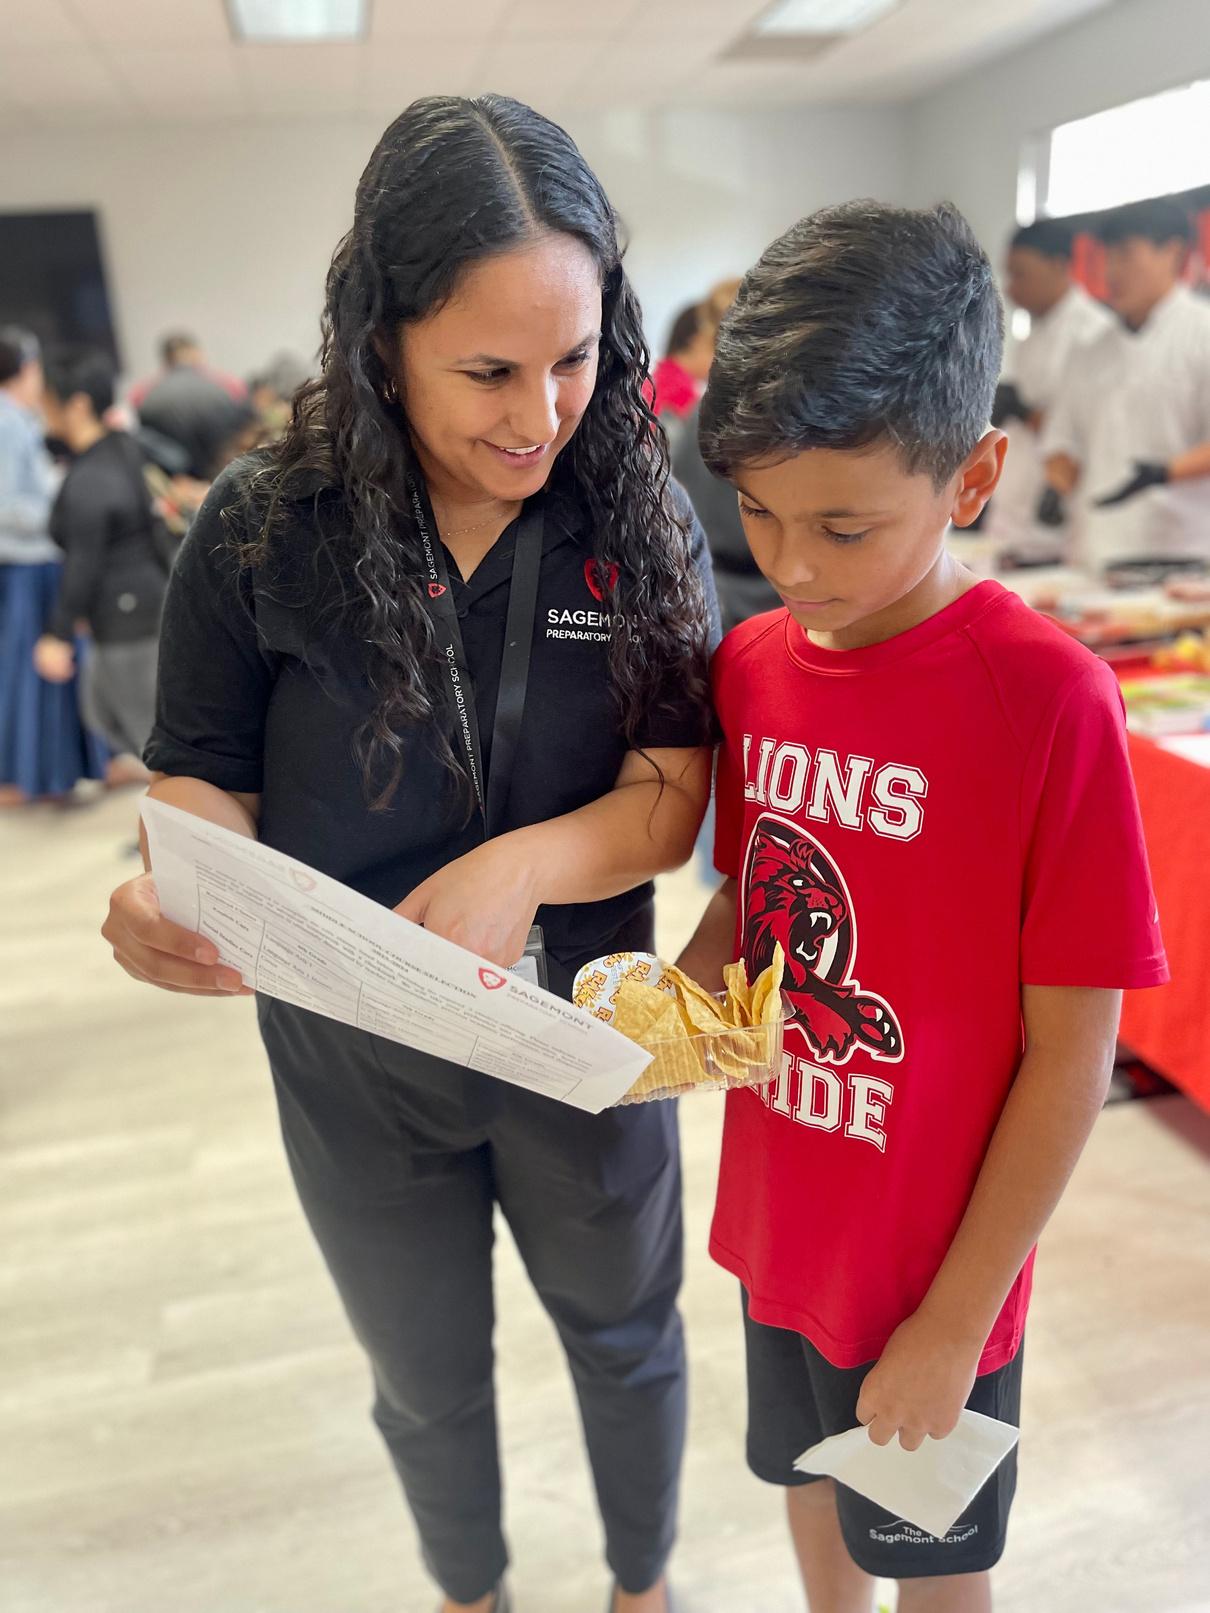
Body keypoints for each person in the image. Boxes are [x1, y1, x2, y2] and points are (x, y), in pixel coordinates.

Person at [100, 95, 718, 1613]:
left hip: (583, 1035)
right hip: (355, 1057)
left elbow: (667, 798)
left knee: (626, 1335)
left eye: (574, 357)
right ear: (382, 341)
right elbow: (202, 771)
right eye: (487, 372)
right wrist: (175, 884)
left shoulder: (634, 509)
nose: (540, 413)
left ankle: (643, 1586)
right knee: (424, 1377)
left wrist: (526, 863)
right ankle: (468, 1590)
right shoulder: (266, 523)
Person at [679, 200, 1168, 1612]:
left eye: (844, 525)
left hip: (937, 1260)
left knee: (935, 1559)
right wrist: (665, 1010)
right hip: (784, 1217)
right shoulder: (755, 665)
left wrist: (957, 1321)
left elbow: (1072, 1049)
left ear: (972, 478)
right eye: (758, 512)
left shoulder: (1046, 699)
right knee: (810, 1483)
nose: (792, 563)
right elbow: (749, 902)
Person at [1042, 197, 1210, 572]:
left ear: (1172, 252)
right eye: (1107, 257)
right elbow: (1062, 440)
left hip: (1180, 553)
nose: (1111, 271)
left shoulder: (1203, 334)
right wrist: (1055, 486)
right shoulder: (1088, 350)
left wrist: (1164, 472)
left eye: (1125, 255)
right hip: (1094, 549)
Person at [33, 349, 171, 777]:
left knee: (150, 739)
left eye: (48, 401)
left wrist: (57, 634)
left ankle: (182, 816)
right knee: (107, 715)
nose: (41, 411)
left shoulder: (93, 477)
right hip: (144, 603)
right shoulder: (121, 449)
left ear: (77, 405)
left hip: (129, 615)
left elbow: (84, 560)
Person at [0, 327, 103, 803]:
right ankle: (29, 778)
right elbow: (6, 504)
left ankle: (49, 773)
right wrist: (62, 509)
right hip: (26, 564)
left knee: (44, 674)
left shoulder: (16, 419)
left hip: (31, 560)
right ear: (26, 370)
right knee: (34, 674)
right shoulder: (7, 422)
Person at [982, 218, 1113, 562]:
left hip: (1057, 515)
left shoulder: (1094, 333)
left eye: (1022, 274)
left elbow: (1086, 431)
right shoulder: (1034, 335)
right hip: (1015, 507)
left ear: (1058, 264)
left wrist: (1025, 411)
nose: (1012, 288)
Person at [132, 330, 257, 482]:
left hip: (176, 482)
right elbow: (250, 426)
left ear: (165, 359)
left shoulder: (142, 392)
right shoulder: (229, 384)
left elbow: (139, 434)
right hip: (225, 472)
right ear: (196, 353)